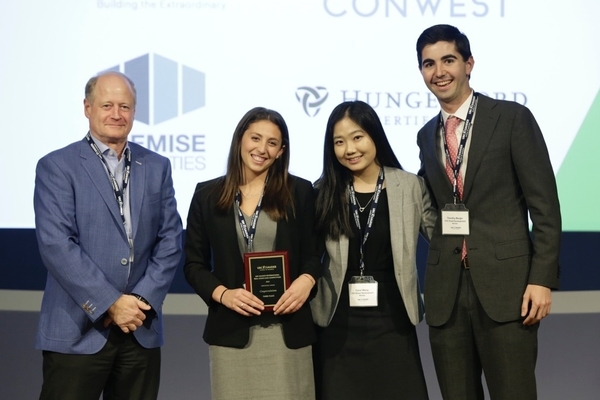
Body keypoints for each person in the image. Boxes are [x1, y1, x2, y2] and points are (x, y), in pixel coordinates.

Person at [415, 24, 561, 399]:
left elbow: (544, 207)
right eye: (429, 64)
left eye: (448, 60)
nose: (439, 72)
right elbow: (426, 203)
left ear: (469, 64)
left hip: (507, 290)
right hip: (446, 293)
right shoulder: (426, 135)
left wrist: (542, 279)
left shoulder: (511, 118)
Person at [33, 71, 183, 399]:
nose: (117, 114)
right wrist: (111, 304)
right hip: (77, 330)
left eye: (125, 106)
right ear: (88, 108)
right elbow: (56, 244)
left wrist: (141, 301)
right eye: (107, 105)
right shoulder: (57, 166)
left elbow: (171, 240)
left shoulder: (157, 166)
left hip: (139, 330)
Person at [184, 107, 322, 399]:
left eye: (272, 143)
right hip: (232, 332)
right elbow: (193, 264)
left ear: (281, 151)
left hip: (287, 330)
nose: (262, 149)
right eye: (255, 138)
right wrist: (224, 294)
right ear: (239, 141)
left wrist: (306, 281)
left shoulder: (300, 191)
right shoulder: (206, 195)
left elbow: (314, 254)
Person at [310, 100, 436, 399]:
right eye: (339, 142)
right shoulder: (321, 190)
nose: (349, 149)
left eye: (357, 137)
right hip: (337, 320)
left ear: (374, 135)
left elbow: (443, 240)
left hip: (393, 319)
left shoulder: (411, 187)